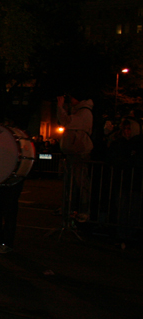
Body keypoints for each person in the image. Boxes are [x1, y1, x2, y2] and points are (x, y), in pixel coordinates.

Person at [57, 91, 94, 221]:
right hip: (71, 152)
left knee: (81, 182)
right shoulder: (76, 111)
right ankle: (69, 208)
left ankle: (84, 210)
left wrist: (60, 107)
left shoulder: (84, 112)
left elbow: (66, 122)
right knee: (69, 183)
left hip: (79, 153)